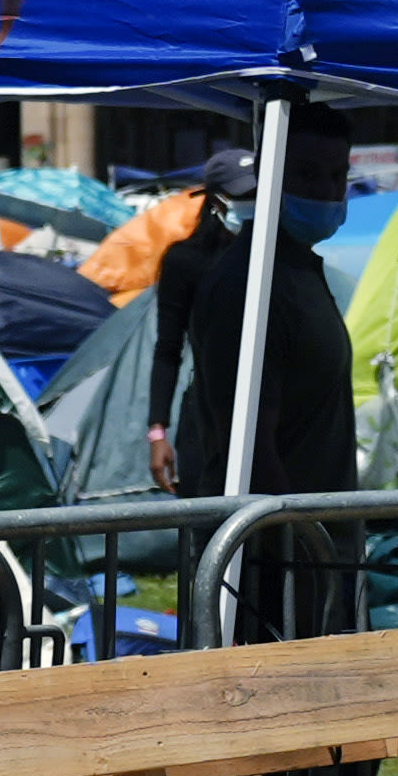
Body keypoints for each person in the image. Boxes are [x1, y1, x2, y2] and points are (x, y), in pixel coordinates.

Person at [147, 125, 357, 497]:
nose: (326, 190)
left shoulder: (299, 267)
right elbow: (250, 446)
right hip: (286, 534)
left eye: (338, 175)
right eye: (307, 175)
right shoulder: (237, 280)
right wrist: (158, 430)